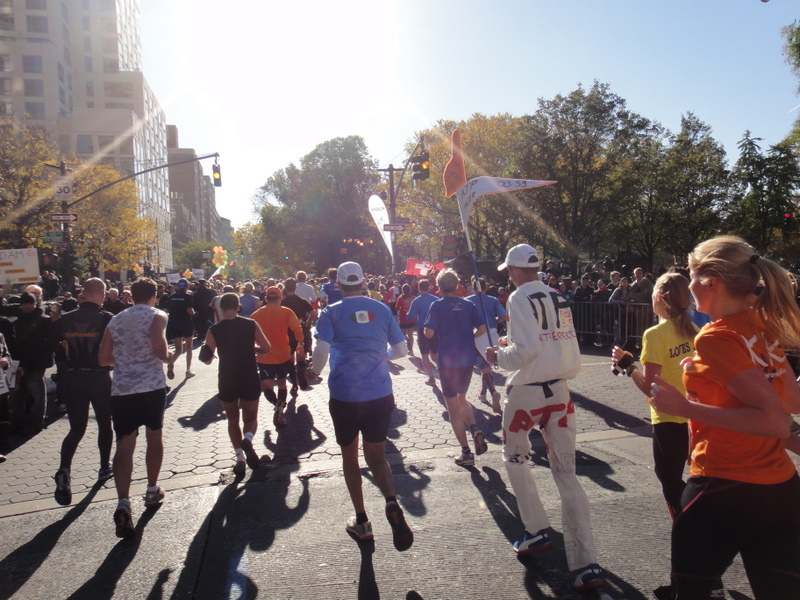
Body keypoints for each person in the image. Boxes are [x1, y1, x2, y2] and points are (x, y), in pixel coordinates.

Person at [649, 236, 800, 600]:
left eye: (690, 276)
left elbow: (775, 421)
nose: (688, 286)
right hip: (782, 490)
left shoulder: (715, 338)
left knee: (692, 592)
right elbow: (791, 401)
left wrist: (687, 407)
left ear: (710, 282)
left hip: (723, 486)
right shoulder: (763, 326)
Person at [485, 244, 605, 593]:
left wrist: (498, 355)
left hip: (526, 393)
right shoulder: (558, 295)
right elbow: (557, 342)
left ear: (516, 270)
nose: (508, 275)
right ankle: (586, 562)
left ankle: (536, 529)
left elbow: (526, 352)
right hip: (560, 391)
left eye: (509, 270)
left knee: (515, 459)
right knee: (567, 473)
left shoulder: (519, 297)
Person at [309, 261, 413, 552]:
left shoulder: (330, 312)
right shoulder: (381, 309)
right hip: (379, 394)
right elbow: (402, 350)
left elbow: (321, 351)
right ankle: (391, 501)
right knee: (378, 457)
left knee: (350, 458)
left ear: (339, 285)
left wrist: (313, 373)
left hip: (345, 396)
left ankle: (362, 522)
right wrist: (383, 358)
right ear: (364, 282)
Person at [611, 272, 698, 519]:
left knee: (669, 479)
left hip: (668, 416)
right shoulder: (695, 329)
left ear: (658, 296)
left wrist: (629, 366)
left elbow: (651, 386)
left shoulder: (655, 334)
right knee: (693, 478)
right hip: (696, 415)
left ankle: (690, 530)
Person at [98, 278, 173, 538]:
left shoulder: (116, 320)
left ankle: (123, 501)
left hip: (122, 389)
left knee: (125, 444)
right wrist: (166, 356)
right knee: (154, 436)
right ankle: (152, 489)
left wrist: (124, 362)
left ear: (131, 297)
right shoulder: (158, 315)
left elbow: (103, 358)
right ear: (155, 295)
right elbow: (157, 343)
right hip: (151, 386)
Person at [53, 278, 115, 506]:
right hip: (98, 376)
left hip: (73, 377)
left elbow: (55, 349)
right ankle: (103, 466)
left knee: (76, 428)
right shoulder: (106, 318)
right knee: (104, 423)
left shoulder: (65, 320)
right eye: (104, 292)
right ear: (99, 293)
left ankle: (65, 468)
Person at [424, 269, 488, 467]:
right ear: (457, 285)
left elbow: (427, 333)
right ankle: (475, 427)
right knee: (462, 399)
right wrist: (471, 337)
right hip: (467, 359)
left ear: (439, 286)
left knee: (453, 409)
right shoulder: (468, 304)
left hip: (447, 362)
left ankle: (466, 452)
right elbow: (482, 328)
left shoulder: (437, 306)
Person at [201, 292, 270, 474]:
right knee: (251, 417)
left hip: (227, 377)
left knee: (232, 419)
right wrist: (252, 348)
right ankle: (248, 439)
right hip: (248, 375)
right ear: (239, 306)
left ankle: (239, 458)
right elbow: (266, 348)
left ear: (221, 309)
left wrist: (208, 352)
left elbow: (206, 359)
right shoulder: (250, 324)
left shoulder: (214, 330)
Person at [251, 286, 303, 428]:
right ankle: (281, 412)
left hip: (265, 356)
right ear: (280, 298)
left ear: (266, 299)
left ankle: (276, 403)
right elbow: (297, 329)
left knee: (267, 385)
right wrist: (300, 343)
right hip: (283, 355)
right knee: (281, 383)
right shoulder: (286, 312)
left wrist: (256, 349)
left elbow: (251, 337)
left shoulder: (255, 315)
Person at [466, 277, 507, 414]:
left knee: (484, 366)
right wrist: (495, 321)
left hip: (477, 334)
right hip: (492, 332)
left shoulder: (468, 301)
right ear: (485, 287)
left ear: (473, 287)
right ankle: (483, 393)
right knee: (487, 366)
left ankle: (493, 391)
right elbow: (503, 315)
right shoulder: (493, 300)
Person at [281, 278, 316, 394]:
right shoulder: (302, 301)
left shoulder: (282, 302)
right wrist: (307, 323)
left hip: (288, 331)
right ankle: (301, 370)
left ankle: (294, 385)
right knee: (301, 354)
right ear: (295, 287)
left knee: (290, 358)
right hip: (300, 328)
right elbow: (314, 314)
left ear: (285, 288)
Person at [406, 279, 439, 385]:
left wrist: (407, 315)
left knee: (424, 355)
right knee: (435, 354)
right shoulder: (436, 299)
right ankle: (445, 372)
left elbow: (410, 317)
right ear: (429, 288)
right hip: (435, 329)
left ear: (419, 288)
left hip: (422, 329)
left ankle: (431, 378)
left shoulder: (416, 301)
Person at [166, 278, 196, 379]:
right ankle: (188, 370)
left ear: (178, 286)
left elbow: (167, 309)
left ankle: (171, 362)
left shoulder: (172, 296)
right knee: (189, 347)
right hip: (186, 323)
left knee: (178, 349)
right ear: (187, 286)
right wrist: (195, 314)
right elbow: (189, 310)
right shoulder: (188, 296)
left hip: (175, 323)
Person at [396, 283, 416, 355]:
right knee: (410, 334)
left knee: (403, 334)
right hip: (412, 318)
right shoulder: (413, 298)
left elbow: (397, 307)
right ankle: (411, 350)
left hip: (403, 318)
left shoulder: (400, 298)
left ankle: (408, 345)